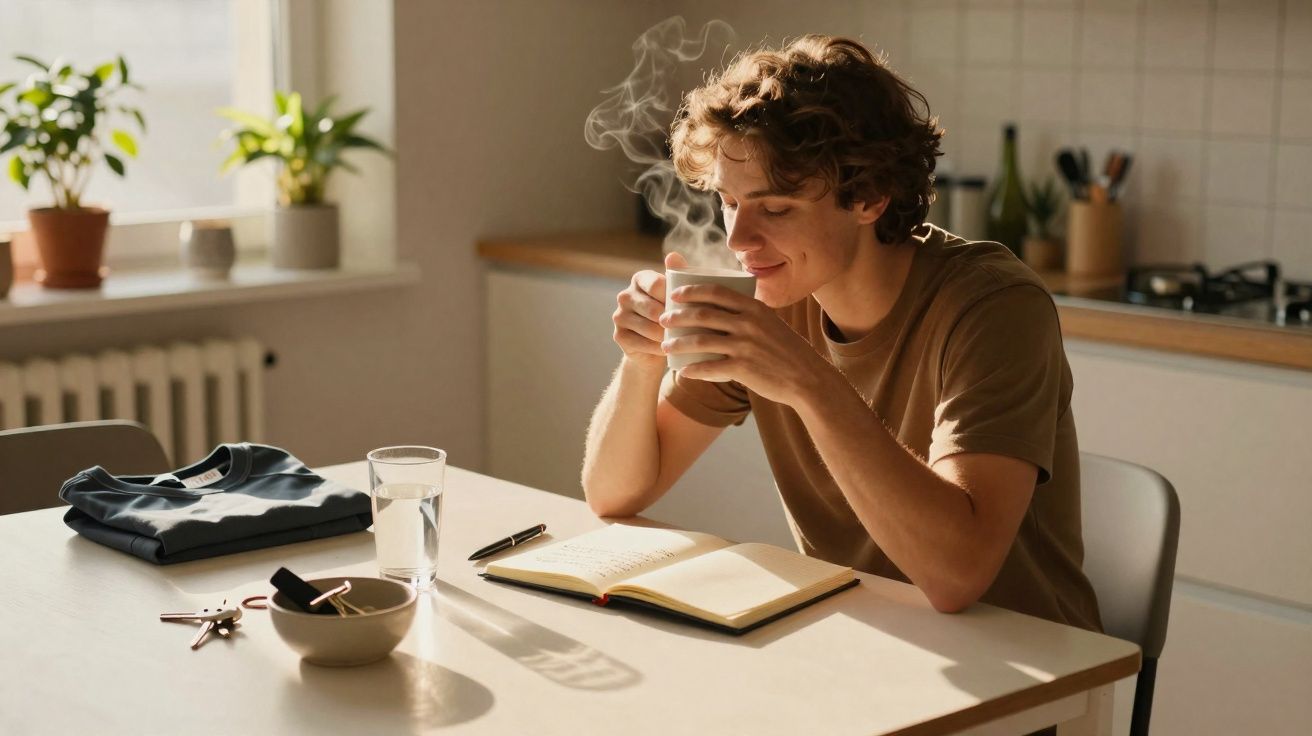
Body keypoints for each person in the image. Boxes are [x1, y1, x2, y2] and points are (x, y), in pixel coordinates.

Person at [580, 35, 1101, 632]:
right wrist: (643, 361)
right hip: (861, 640)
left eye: (775, 209)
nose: (739, 241)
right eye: (728, 202)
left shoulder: (994, 307)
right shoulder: (775, 295)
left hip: (1032, 671)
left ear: (870, 196)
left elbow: (958, 576)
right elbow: (615, 495)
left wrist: (806, 381)